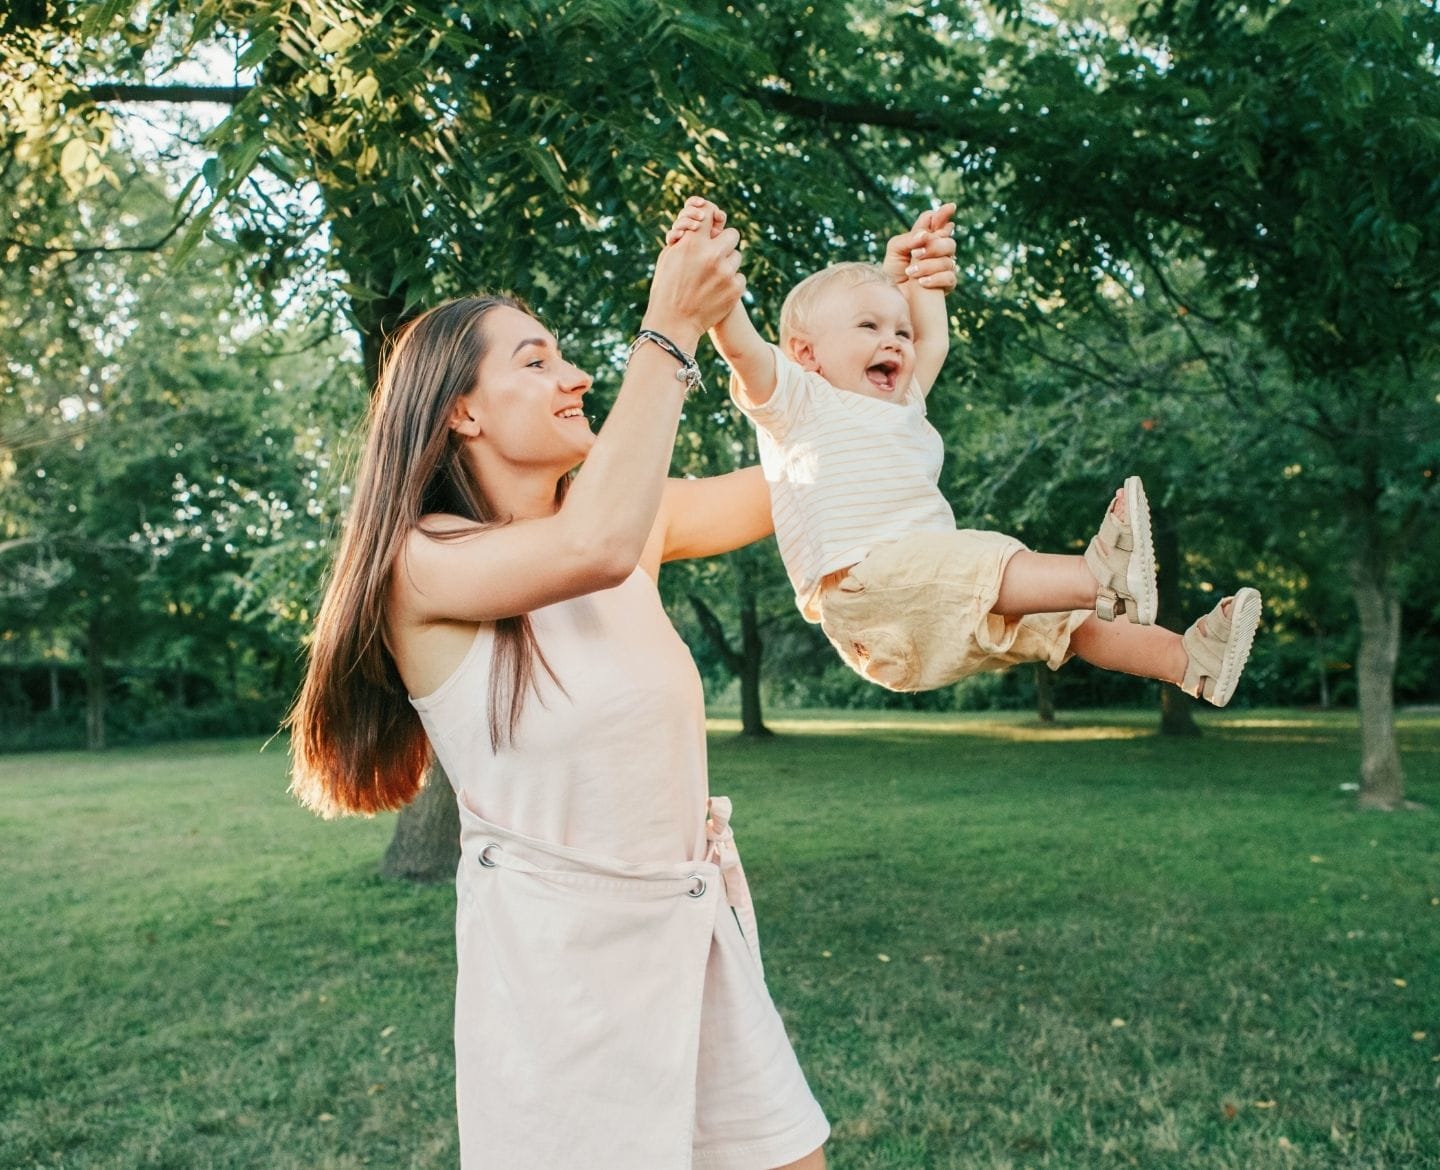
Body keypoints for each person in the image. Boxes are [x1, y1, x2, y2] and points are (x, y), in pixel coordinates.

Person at [284, 201, 855, 1170]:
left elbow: (815, 477)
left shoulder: (629, 528)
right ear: (461, 410)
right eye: (536, 360)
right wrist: (668, 329)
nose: (576, 375)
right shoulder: (419, 566)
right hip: (561, 991)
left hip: (692, 941)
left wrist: (882, 330)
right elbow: (588, 546)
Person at [667, 198, 1262, 707]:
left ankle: (1187, 660)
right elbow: (741, 346)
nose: (894, 342)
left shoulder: (903, 401)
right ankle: (1096, 574)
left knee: (1062, 621)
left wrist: (918, 276)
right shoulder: (797, 399)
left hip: (930, 596)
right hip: (864, 592)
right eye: (869, 327)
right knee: (989, 562)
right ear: (805, 351)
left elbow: (936, 336)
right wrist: (709, 263)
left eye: (900, 332)